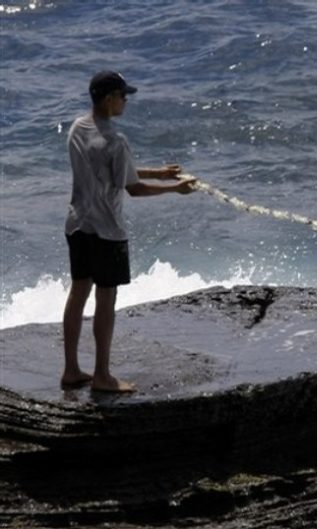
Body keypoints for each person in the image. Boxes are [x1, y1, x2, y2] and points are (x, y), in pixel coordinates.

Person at [61, 70, 196, 393]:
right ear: (109, 99)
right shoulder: (116, 140)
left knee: (79, 292)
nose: (126, 101)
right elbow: (133, 188)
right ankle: (103, 376)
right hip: (107, 230)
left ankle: (71, 370)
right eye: (123, 96)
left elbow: (111, 172)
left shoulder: (78, 129)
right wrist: (174, 189)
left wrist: (161, 173)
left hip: (77, 224)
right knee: (105, 298)